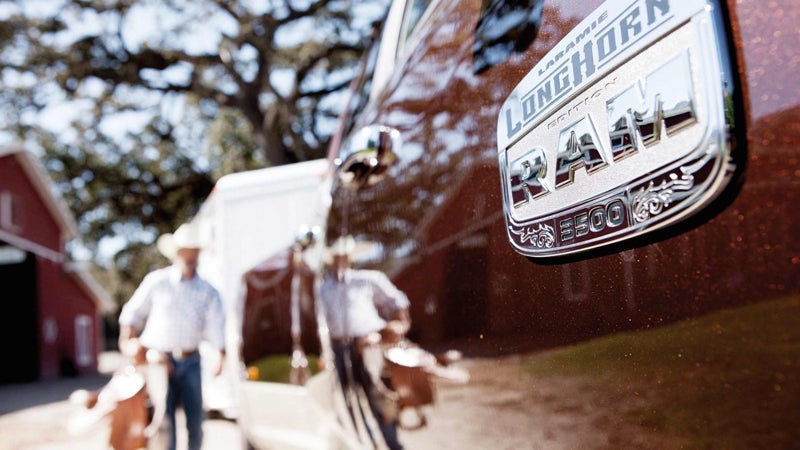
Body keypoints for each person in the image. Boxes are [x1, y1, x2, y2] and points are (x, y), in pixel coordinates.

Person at [118, 222, 226, 450]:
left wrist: (220, 354)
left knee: (195, 422)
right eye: (185, 251)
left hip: (191, 361)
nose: (190, 256)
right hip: (159, 362)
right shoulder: (158, 282)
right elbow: (131, 313)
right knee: (164, 424)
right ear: (176, 254)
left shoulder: (208, 291)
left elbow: (217, 325)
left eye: (194, 251)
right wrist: (128, 342)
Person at [318, 235, 410, 450]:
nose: (340, 261)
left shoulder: (368, 279)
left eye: (344, 257)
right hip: (337, 348)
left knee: (378, 395)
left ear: (350, 259)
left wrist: (399, 327)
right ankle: (363, 443)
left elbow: (398, 301)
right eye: (336, 258)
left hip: (368, 345)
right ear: (331, 260)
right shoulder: (323, 289)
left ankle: (392, 444)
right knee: (344, 402)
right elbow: (319, 320)